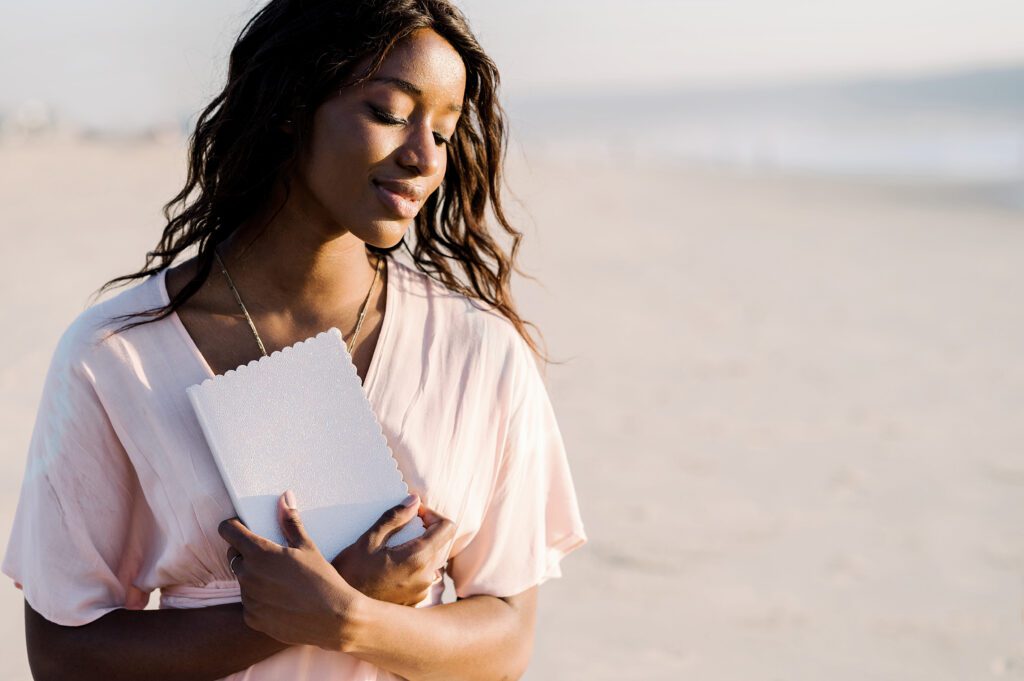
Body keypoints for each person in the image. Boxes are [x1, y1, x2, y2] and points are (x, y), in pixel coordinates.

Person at [1, 1, 587, 679]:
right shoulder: (114, 357)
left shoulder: (478, 352)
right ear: (289, 106)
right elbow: (64, 654)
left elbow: (506, 641)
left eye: (446, 131)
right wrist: (326, 595)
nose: (425, 156)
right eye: (390, 113)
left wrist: (349, 615)